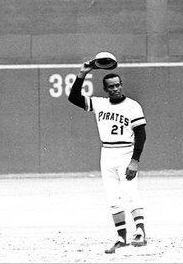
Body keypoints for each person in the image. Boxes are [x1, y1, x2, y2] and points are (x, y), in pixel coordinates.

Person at [68, 61, 148, 254]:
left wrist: (135, 160)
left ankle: (140, 232)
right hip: (107, 154)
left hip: (126, 152)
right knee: (113, 197)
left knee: (130, 192)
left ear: (121, 85)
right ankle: (121, 237)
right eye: (111, 86)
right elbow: (73, 97)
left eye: (117, 85)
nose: (115, 88)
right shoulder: (100, 103)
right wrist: (82, 73)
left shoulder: (132, 106)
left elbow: (141, 135)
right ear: (105, 89)